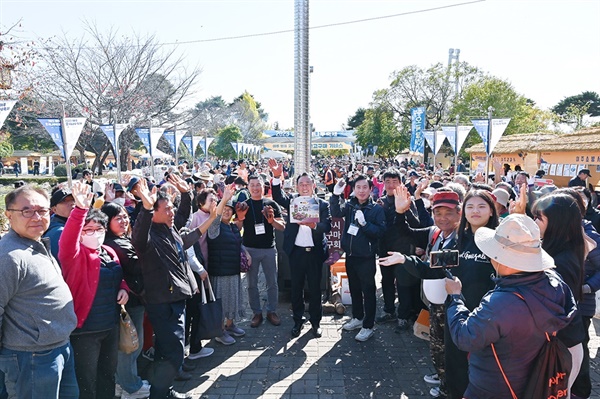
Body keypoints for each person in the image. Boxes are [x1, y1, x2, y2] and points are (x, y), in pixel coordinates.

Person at [444, 213, 576, 399]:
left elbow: (465, 338)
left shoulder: (500, 304)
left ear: (500, 258)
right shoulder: (555, 282)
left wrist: (455, 298)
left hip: (493, 387)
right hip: (535, 381)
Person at [380, 188, 462, 398]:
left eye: (448, 213)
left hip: (453, 306)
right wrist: (399, 212)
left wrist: (406, 260)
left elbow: (437, 268)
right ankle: (442, 376)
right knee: (437, 345)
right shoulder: (435, 232)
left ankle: (448, 387)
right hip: (435, 303)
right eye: (438, 213)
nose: (442, 218)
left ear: (459, 213)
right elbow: (404, 233)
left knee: (451, 350)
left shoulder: (462, 239)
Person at [0, 185, 79, 398]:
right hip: (31, 356)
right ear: (9, 215)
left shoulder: (36, 244)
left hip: (58, 346)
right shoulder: (9, 256)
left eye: (42, 211)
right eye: (27, 211)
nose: (36, 217)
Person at [131, 174, 200, 399]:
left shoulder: (169, 229)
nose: (171, 213)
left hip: (176, 298)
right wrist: (146, 209)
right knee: (174, 353)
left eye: (171, 208)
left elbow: (182, 214)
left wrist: (186, 194)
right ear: (154, 212)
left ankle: (164, 391)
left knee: (166, 351)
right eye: (166, 209)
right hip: (161, 302)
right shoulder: (148, 234)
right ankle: (159, 393)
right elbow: (138, 238)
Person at [59, 181, 129, 399]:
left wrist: (124, 288)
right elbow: (68, 239)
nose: (94, 233)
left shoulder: (109, 250)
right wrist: (80, 210)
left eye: (99, 229)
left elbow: (119, 277)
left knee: (107, 375)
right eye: (88, 230)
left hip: (110, 326)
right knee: (86, 382)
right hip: (85, 331)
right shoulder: (74, 256)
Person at [269, 159, 332, 338]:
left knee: (314, 289)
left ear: (314, 185)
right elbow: (277, 197)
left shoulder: (322, 204)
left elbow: (327, 227)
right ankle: (297, 321)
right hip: (296, 252)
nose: (304, 187)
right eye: (301, 184)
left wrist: (313, 226)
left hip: (315, 254)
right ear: (296, 186)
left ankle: (316, 323)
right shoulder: (292, 201)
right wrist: (275, 177)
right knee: (296, 289)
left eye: (308, 183)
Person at [532, 193, 586, 395]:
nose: (534, 222)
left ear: (557, 223)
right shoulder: (563, 249)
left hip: (561, 347)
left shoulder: (560, 261)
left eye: (539, 217)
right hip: (562, 344)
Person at [101, 202, 150, 399]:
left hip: (134, 300)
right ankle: (131, 386)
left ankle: (124, 383)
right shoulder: (114, 244)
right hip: (127, 303)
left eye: (124, 216)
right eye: (117, 218)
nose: (123, 221)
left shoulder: (122, 239)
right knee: (129, 346)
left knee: (132, 344)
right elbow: (138, 266)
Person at [330, 174, 386, 342]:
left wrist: (365, 224)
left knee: (368, 291)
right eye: (358, 187)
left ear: (370, 189)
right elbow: (335, 212)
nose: (361, 191)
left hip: (367, 257)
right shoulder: (350, 206)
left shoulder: (376, 209)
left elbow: (380, 232)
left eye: (364, 187)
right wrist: (335, 195)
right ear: (353, 189)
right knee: (354, 288)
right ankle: (357, 317)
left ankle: (368, 326)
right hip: (351, 255)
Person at [234, 175, 285, 328]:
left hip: (269, 249)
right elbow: (237, 229)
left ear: (264, 187)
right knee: (251, 284)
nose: (255, 188)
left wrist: (272, 221)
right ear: (248, 187)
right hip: (250, 250)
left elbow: (282, 227)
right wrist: (241, 218)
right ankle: (256, 312)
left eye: (258, 185)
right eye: (252, 185)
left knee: (272, 282)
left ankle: (271, 311)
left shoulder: (271, 204)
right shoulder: (243, 205)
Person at [206, 185, 247, 344]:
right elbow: (216, 216)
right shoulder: (214, 226)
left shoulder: (232, 227)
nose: (227, 211)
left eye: (230, 209)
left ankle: (230, 326)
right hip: (220, 271)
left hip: (233, 270)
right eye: (225, 209)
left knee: (233, 300)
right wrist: (224, 199)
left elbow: (237, 243)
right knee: (221, 303)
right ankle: (219, 331)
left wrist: (246, 252)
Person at [44, 185, 76, 262]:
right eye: (65, 201)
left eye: (73, 200)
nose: (71, 203)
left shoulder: (70, 224)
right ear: (54, 209)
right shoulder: (59, 232)